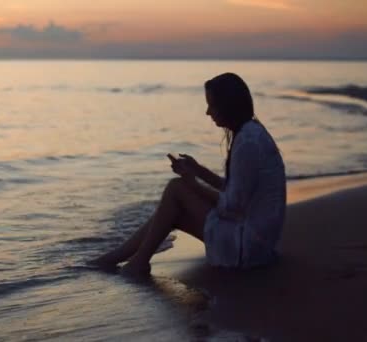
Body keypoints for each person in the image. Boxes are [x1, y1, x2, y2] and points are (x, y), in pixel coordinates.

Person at [90, 72, 286, 277]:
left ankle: (132, 261)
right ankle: (120, 258)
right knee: (174, 210)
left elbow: (233, 206)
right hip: (257, 243)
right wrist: (198, 170)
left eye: (212, 105)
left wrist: (192, 183)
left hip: (247, 249)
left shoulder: (248, 142)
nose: (208, 112)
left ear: (228, 105)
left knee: (176, 188)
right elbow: (235, 190)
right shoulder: (250, 133)